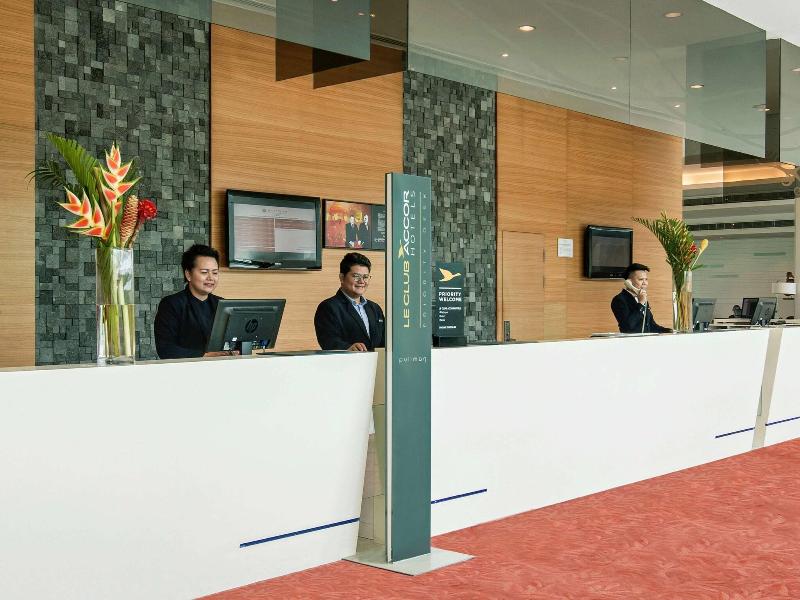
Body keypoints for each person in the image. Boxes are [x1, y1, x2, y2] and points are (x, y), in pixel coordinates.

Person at [154, 244, 231, 358]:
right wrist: (204, 356)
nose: (211, 278)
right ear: (188, 274)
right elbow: (165, 349)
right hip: (186, 368)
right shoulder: (171, 304)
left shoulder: (222, 304)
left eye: (215, 272)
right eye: (204, 272)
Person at [314, 252, 385, 351]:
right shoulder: (328, 307)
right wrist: (348, 348)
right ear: (342, 277)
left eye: (365, 277)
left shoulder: (375, 308)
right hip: (348, 361)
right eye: (356, 276)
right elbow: (328, 341)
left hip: (377, 361)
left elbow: (385, 341)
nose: (362, 281)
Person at [611, 263, 671, 334]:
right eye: (641, 279)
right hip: (631, 340)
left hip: (646, 340)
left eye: (646, 279)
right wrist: (640, 304)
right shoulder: (619, 300)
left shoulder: (642, 298)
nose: (645, 283)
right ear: (628, 282)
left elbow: (651, 326)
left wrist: (670, 331)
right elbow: (628, 326)